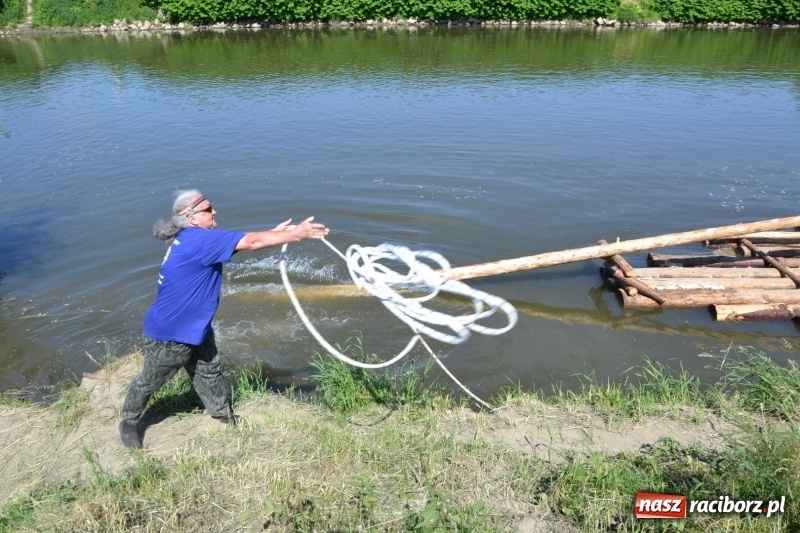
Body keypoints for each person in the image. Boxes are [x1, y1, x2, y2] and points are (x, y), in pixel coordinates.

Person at [120, 189, 329, 449]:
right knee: (150, 381)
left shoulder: (192, 238)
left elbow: (240, 243)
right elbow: (252, 243)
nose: (214, 211)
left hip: (195, 327)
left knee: (208, 372)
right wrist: (296, 234)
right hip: (170, 334)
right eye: (208, 209)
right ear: (192, 217)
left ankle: (222, 417)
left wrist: (277, 234)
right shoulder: (199, 240)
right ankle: (128, 422)